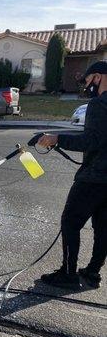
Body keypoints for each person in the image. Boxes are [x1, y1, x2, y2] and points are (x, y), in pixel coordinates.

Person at [38, 61, 107, 289]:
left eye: (87, 81)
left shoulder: (99, 104)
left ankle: (68, 275)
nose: (86, 87)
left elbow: (91, 140)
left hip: (94, 178)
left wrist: (56, 139)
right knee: (103, 227)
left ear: (98, 77)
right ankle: (93, 273)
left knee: (70, 222)